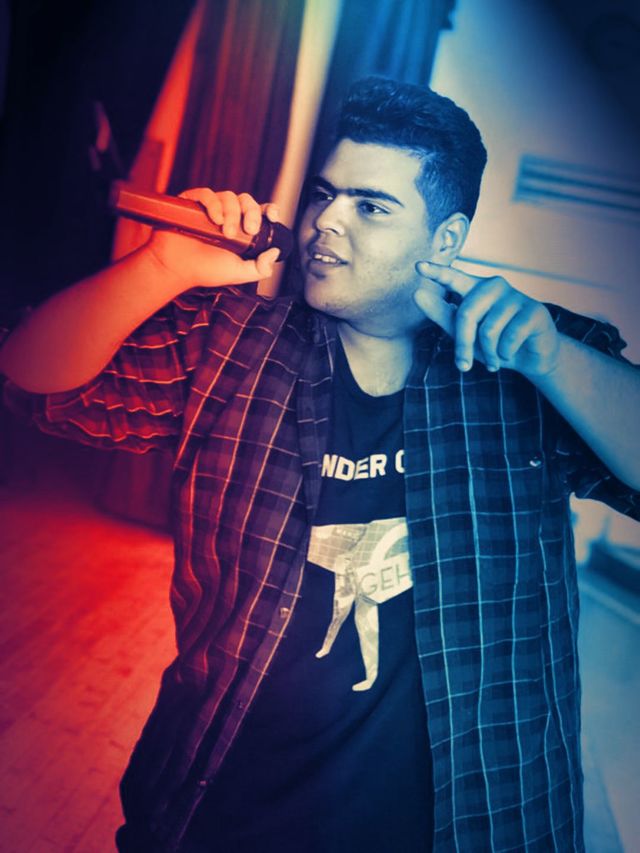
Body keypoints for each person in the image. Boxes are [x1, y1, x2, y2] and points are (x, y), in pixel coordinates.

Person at [1, 77, 639, 853]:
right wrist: (163, 264)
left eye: (372, 206)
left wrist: (555, 361)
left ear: (444, 240)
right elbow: (31, 381)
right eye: (326, 193)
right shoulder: (230, 339)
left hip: (471, 823)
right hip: (216, 808)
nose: (326, 220)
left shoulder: (530, 359)